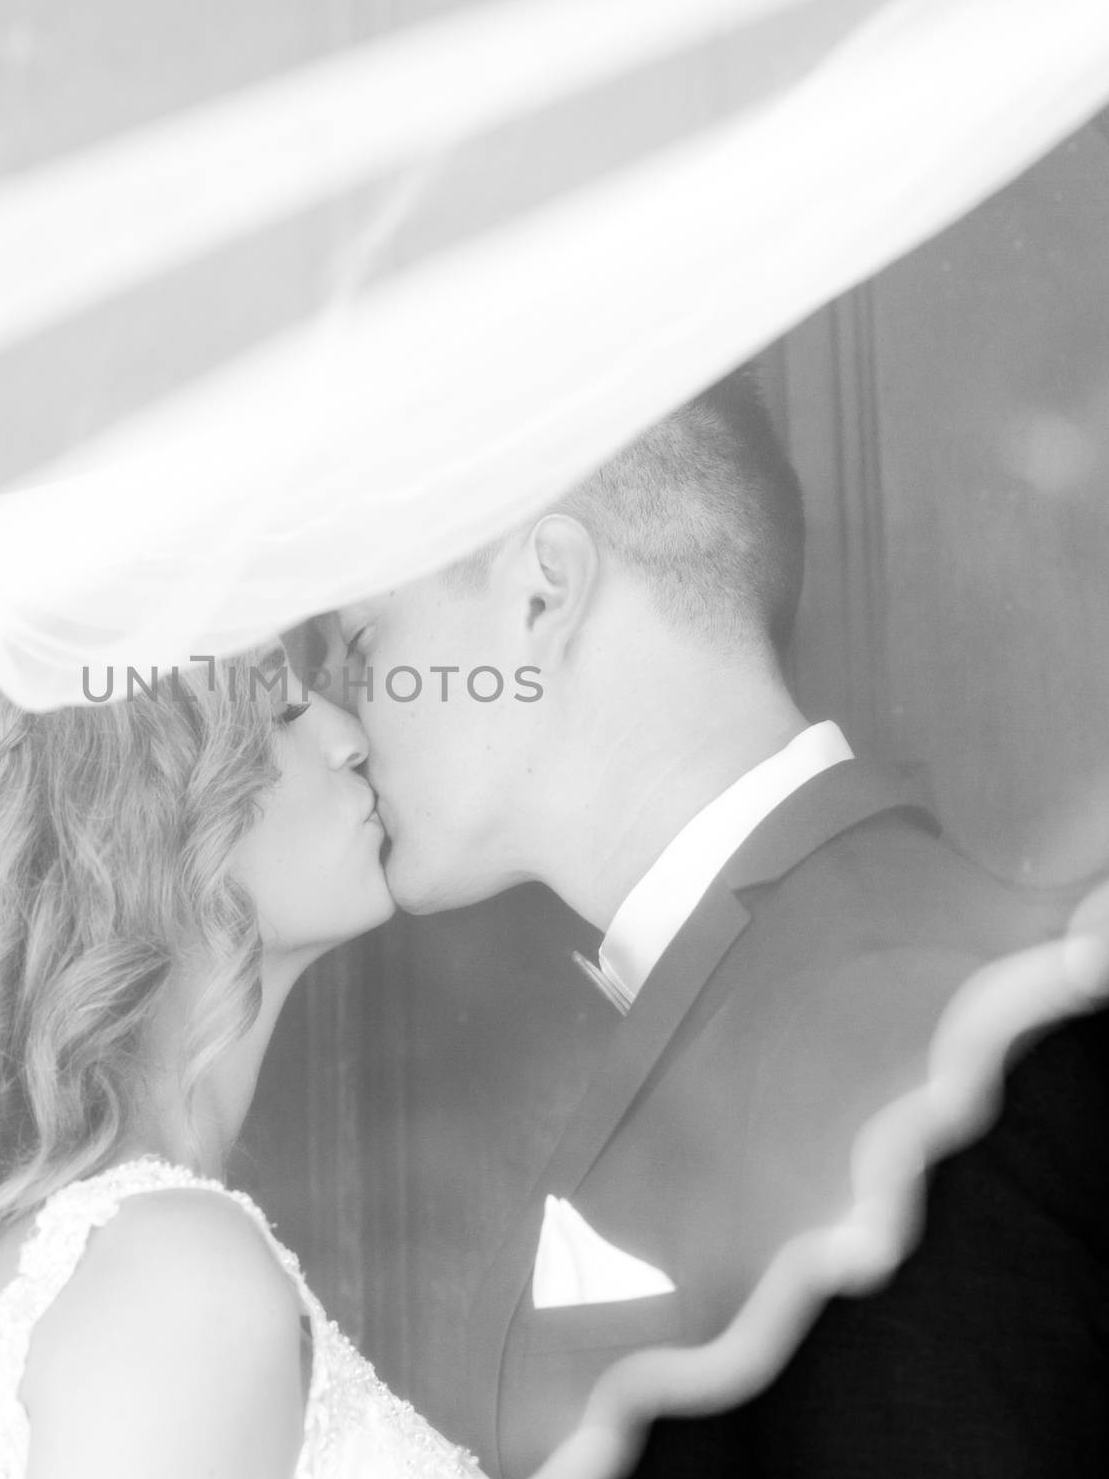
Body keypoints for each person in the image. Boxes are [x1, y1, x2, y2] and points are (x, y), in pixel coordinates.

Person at [333, 368, 1109, 1478]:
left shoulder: (877, 1007)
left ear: (544, 596)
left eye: (362, 649)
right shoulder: (823, 963)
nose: (349, 724)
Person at [0, 648, 484, 1479]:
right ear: (134, 825)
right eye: (281, 717)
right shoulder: (170, 1272)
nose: (349, 737)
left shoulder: (92, 1258)